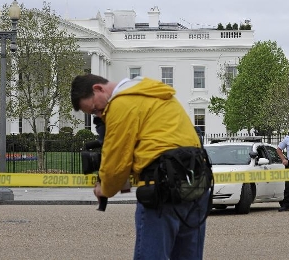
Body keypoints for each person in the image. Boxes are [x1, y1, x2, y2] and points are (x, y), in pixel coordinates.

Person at [71, 74, 211, 260]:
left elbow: (116, 162)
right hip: (196, 185)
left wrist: (104, 188)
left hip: (161, 189)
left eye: (95, 109)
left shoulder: (122, 103)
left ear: (98, 88)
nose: (99, 115)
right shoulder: (155, 93)